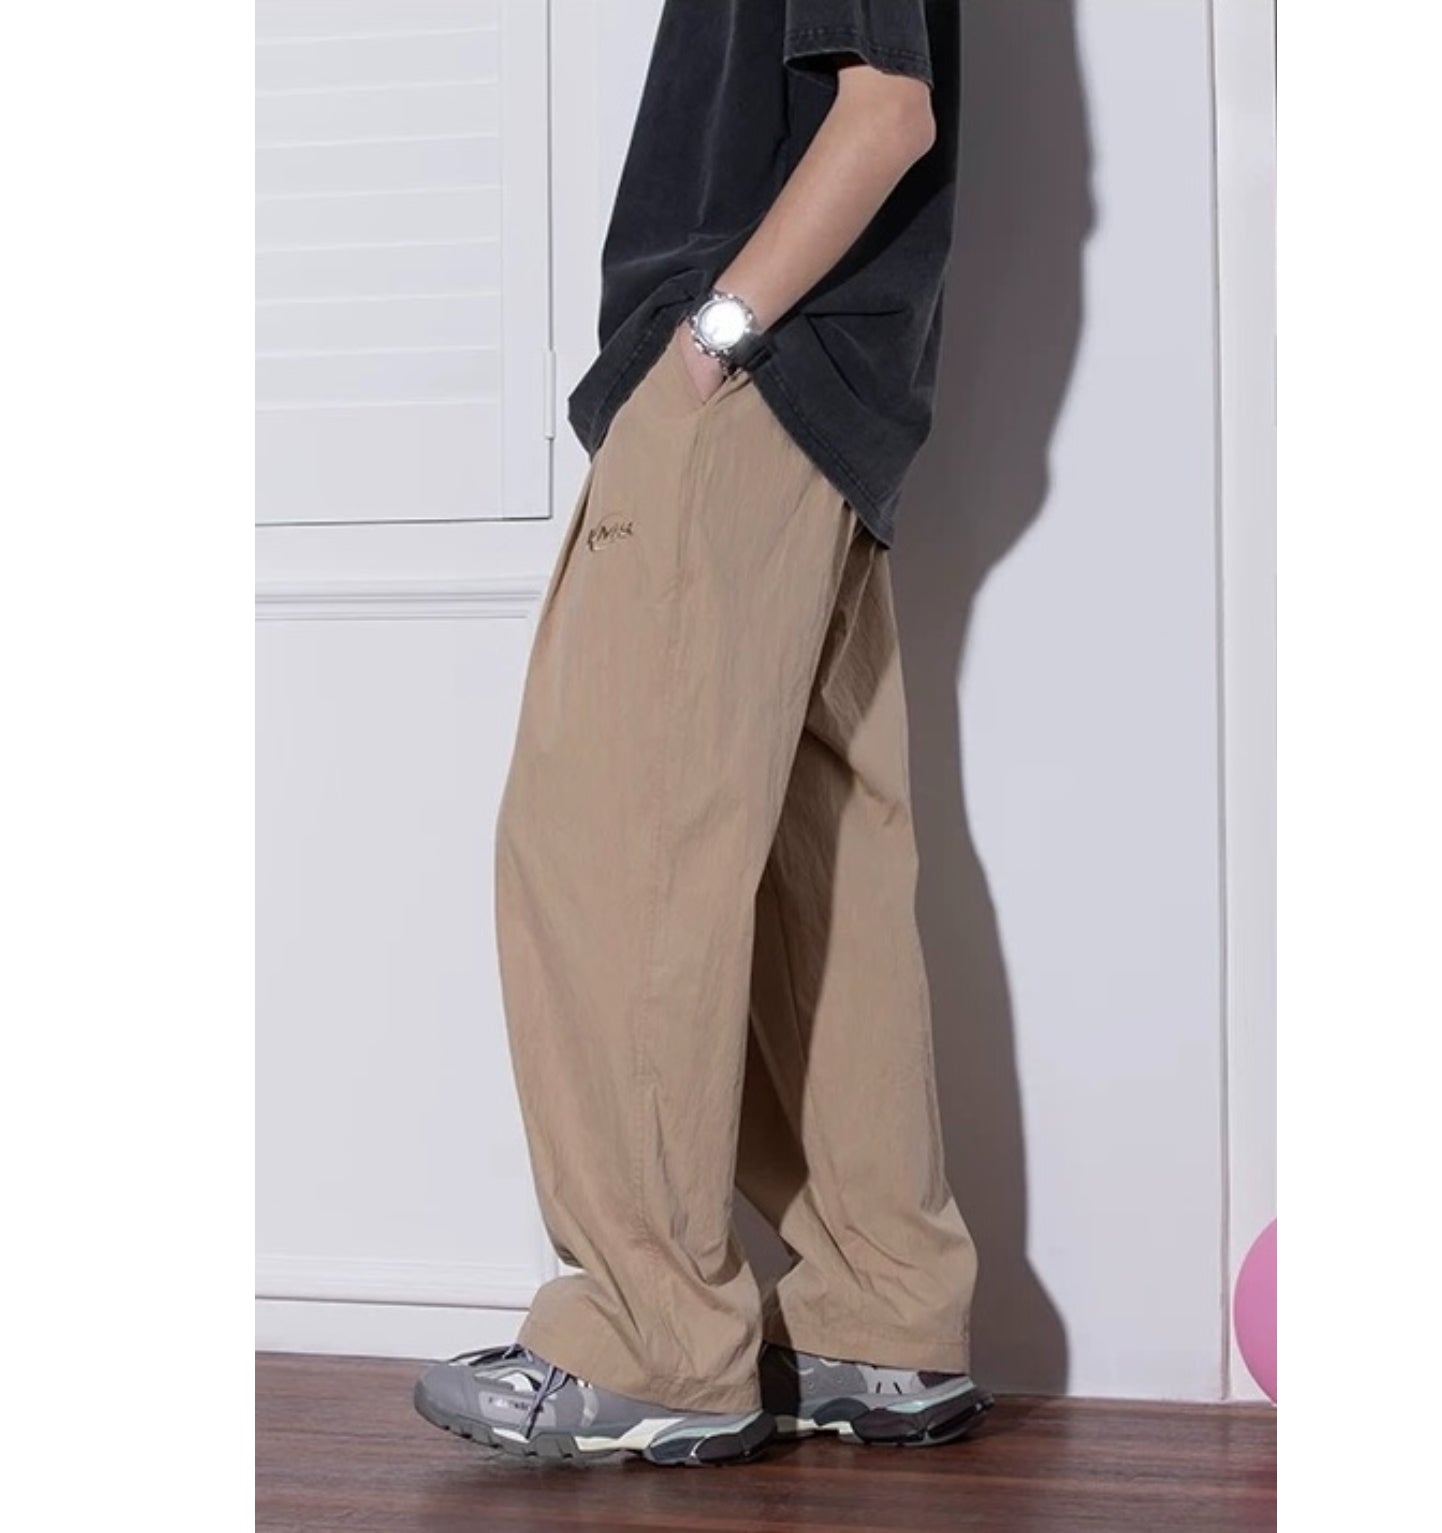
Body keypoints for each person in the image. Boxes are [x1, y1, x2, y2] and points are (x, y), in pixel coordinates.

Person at [414, 0, 988, 1466]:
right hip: (830, 411)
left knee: (610, 850)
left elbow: (886, 110)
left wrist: (710, 340)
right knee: (822, 884)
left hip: (753, 382)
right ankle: (880, 1309)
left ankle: (650, 1335)